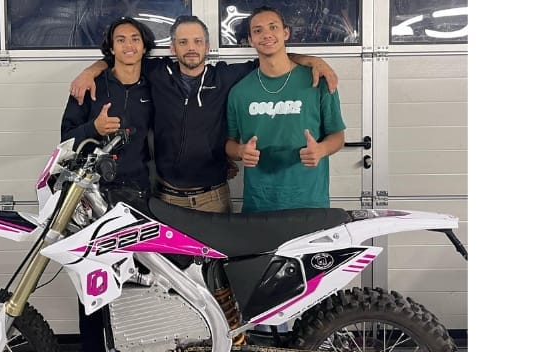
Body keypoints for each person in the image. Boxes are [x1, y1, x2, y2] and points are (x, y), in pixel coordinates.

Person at [70, 15, 339, 213]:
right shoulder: (156, 73)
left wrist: (313, 61)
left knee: (217, 272)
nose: (191, 48)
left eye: (197, 41)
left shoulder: (226, 76)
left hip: (214, 199)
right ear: (173, 48)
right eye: (183, 42)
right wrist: (90, 71)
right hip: (166, 199)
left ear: (207, 46)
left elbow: (272, 58)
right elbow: (124, 57)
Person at [60, 17, 156, 352]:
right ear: (111, 47)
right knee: (92, 275)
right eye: (121, 39)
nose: (129, 45)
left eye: (135, 39)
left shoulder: (155, 82)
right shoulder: (90, 86)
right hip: (92, 195)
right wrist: (93, 130)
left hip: (139, 196)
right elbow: (65, 139)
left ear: (144, 46)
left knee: (138, 276)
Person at [226, 6, 346, 213]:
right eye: (258, 30)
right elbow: (230, 142)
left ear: (286, 33)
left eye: (273, 27)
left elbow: (337, 136)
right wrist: (240, 151)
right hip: (259, 204)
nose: (266, 34)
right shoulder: (239, 92)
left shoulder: (318, 81)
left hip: (310, 202)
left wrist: (321, 150)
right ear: (251, 40)